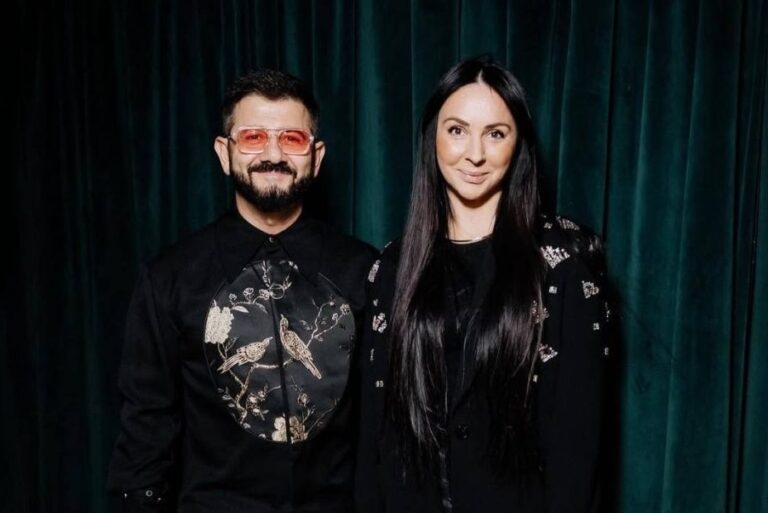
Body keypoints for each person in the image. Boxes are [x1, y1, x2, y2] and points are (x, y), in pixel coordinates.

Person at [108, 69, 377, 512]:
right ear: (224, 152)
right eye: (253, 137)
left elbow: (388, 430)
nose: (273, 155)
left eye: (291, 139)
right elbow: (144, 441)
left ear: (316, 156)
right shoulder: (170, 279)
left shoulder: (365, 272)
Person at [355, 57, 610, 513]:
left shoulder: (562, 268)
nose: (475, 153)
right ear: (432, 137)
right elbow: (376, 437)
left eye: (495, 133)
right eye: (457, 130)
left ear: (518, 145)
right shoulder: (393, 267)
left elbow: (577, 446)